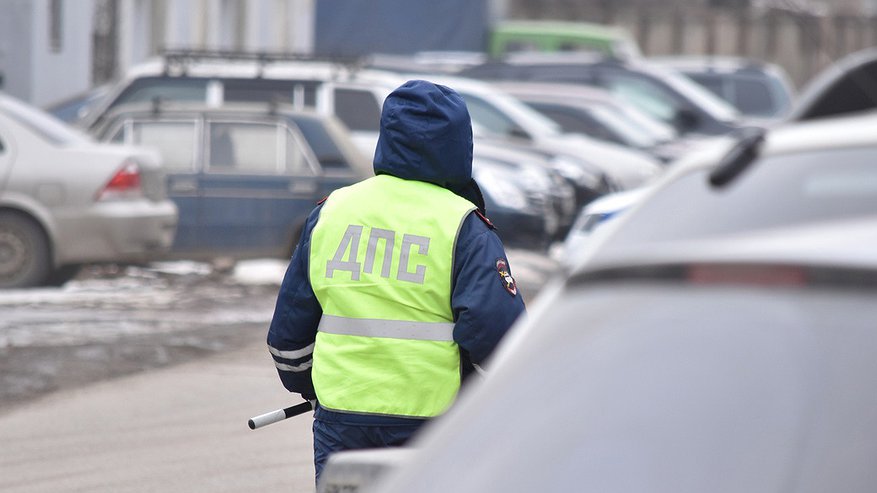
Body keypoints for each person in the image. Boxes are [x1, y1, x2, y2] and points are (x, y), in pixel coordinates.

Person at [266, 79, 527, 483]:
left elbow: (289, 334)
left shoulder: (332, 212)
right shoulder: (463, 225)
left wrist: (310, 386)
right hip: (431, 425)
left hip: (342, 420)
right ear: (460, 145)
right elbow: (498, 336)